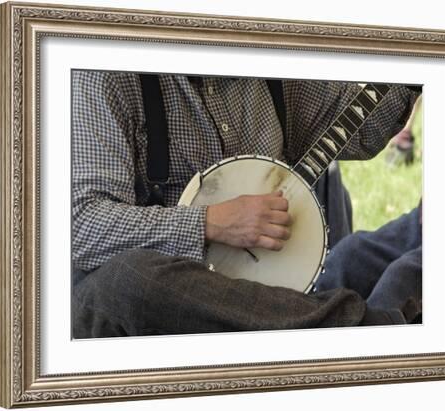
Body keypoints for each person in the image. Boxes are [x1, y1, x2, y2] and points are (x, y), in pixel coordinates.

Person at [71, 71, 420, 338]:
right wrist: (212, 222)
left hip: (261, 297)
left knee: (357, 255)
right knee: (127, 280)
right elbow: (80, 225)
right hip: (143, 309)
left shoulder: (267, 68)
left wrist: (416, 69)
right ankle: (361, 331)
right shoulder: (105, 74)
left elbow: (360, 130)